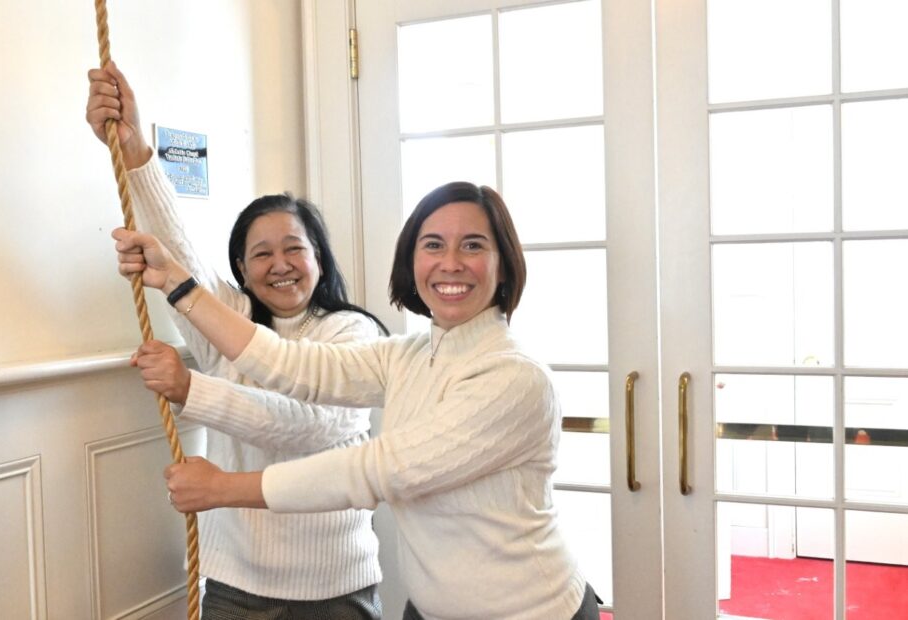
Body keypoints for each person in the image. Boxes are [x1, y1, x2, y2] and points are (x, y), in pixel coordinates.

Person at [113, 178, 601, 619]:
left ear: (504, 263)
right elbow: (292, 365)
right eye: (433, 245)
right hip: (429, 610)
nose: (450, 262)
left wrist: (223, 487)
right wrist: (178, 285)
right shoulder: (408, 355)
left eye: (472, 245)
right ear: (413, 261)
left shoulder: (515, 379)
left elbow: (375, 470)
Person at [87, 62, 386, 619]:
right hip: (233, 588)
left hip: (336, 591)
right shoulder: (225, 322)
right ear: (242, 273)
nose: (280, 265)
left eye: (294, 248)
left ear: (319, 257)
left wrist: (191, 390)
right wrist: (133, 149)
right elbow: (179, 250)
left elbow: (305, 422)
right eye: (260, 254)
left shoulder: (354, 332)